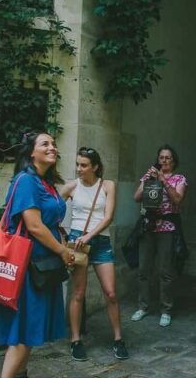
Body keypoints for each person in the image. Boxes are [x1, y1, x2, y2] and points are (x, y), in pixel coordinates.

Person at [0, 132, 75, 378]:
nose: (52, 147)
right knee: (21, 333)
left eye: (53, 144)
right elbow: (35, 225)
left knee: (28, 332)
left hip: (43, 265)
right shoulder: (26, 181)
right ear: (31, 152)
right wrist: (62, 251)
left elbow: (50, 217)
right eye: (45, 144)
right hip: (28, 267)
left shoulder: (45, 183)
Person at [59, 147, 129, 362]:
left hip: (99, 240)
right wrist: (63, 235)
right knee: (78, 293)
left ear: (95, 166)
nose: (79, 169)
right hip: (78, 241)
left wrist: (89, 236)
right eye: (78, 164)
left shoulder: (107, 186)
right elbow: (51, 209)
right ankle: (76, 340)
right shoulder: (71, 186)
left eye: (84, 165)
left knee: (111, 293)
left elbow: (108, 217)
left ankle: (118, 339)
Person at [131, 144, 188, 327]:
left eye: (168, 158)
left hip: (168, 228)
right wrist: (147, 180)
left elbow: (178, 199)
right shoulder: (149, 176)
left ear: (174, 161)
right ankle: (143, 307)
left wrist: (164, 181)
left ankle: (166, 309)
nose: (164, 161)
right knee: (143, 270)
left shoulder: (179, 179)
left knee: (166, 271)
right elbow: (137, 197)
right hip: (149, 227)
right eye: (161, 157)